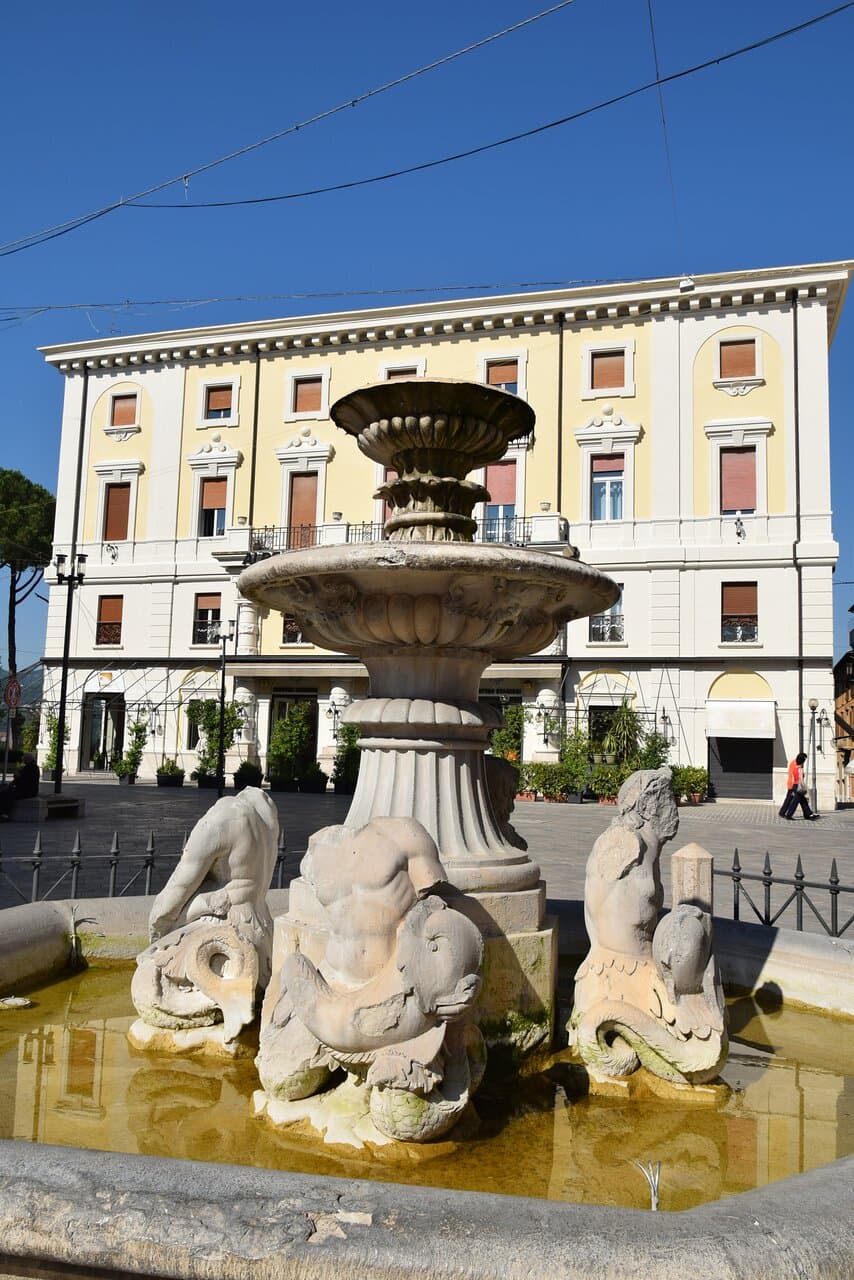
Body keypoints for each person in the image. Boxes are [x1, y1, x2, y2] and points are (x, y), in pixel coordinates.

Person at [0, 753, 40, 820]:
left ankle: (5, 814)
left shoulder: (31, 767)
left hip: (28, 791)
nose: (23, 760)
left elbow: (23, 780)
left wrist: (16, 776)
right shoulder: (31, 766)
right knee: (6, 791)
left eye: (24, 759)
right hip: (27, 790)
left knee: (8, 793)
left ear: (28, 759)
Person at [779, 752, 818, 820]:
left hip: (794, 785)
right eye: (804, 760)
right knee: (794, 801)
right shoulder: (799, 768)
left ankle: (808, 814)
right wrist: (805, 788)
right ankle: (788, 814)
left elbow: (792, 776)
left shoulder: (794, 766)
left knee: (803, 801)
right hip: (796, 786)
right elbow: (801, 780)